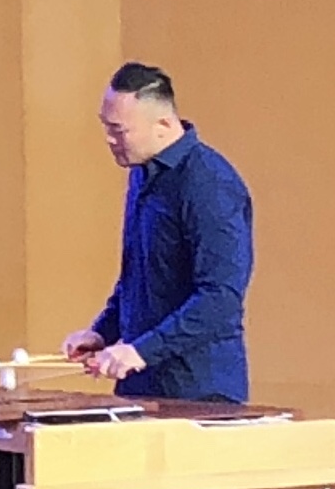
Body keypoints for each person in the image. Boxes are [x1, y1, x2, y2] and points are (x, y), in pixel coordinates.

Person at [63, 63, 253, 404]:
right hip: (141, 385)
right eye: (106, 127)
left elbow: (220, 297)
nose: (109, 139)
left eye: (119, 130)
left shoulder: (209, 184)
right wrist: (103, 332)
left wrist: (141, 351)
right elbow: (138, 278)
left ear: (163, 125)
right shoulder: (142, 174)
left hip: (199, 392)